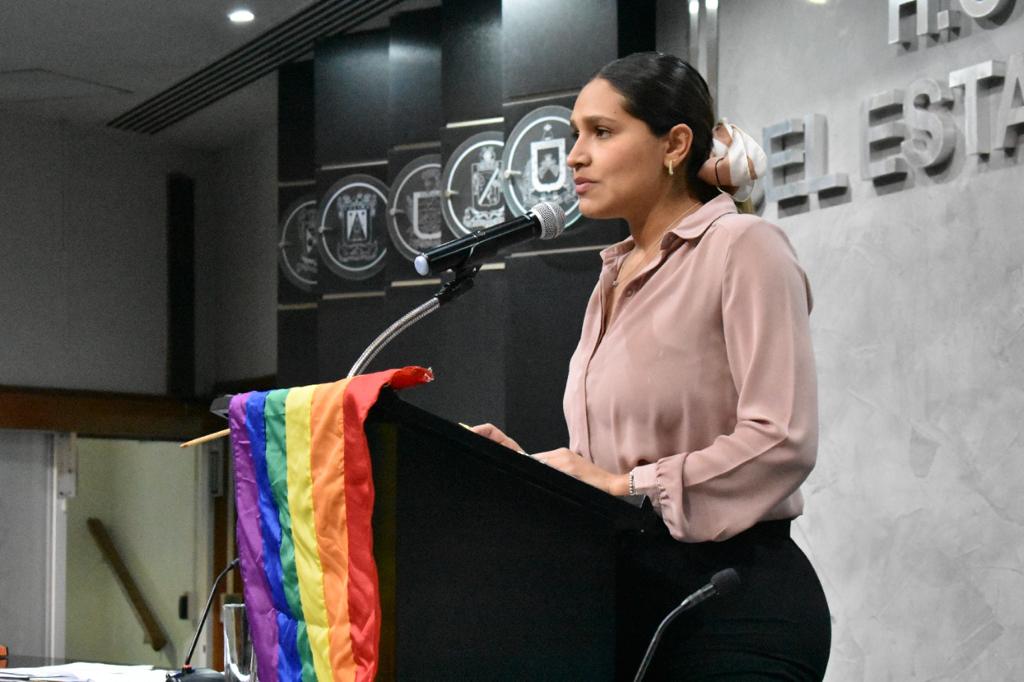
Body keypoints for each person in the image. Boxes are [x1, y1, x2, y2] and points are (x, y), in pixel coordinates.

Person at [472, 52, 831, 679]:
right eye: (575, 134)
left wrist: (625, 487)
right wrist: (527, 474)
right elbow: (606, 466)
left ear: (675, 145)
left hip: (731, 603)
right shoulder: (613, 276)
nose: (574, 156)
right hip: (620, 605)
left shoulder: (744, 247)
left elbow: (782, 439)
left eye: (601, 132)